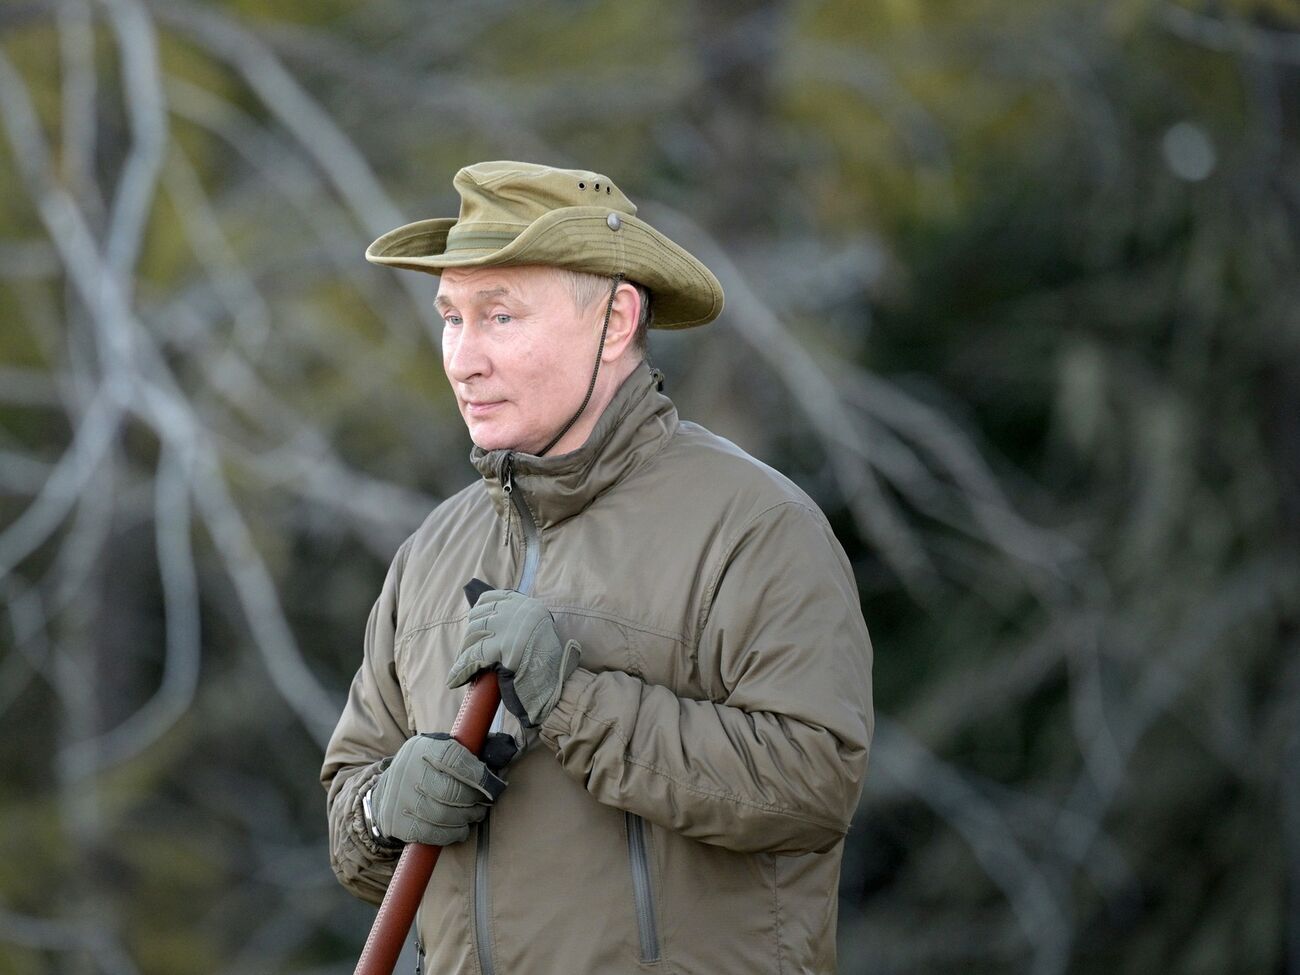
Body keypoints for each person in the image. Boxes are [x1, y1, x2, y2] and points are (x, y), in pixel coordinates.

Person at [322, 161, 874, 974]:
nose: (463, 359)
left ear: (615, 321)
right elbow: (352, 826)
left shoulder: (755, 527)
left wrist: (573, 700)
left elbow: (813, 786)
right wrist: (382, 808)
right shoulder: (430, 553)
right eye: (451, 318)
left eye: (499, 316)